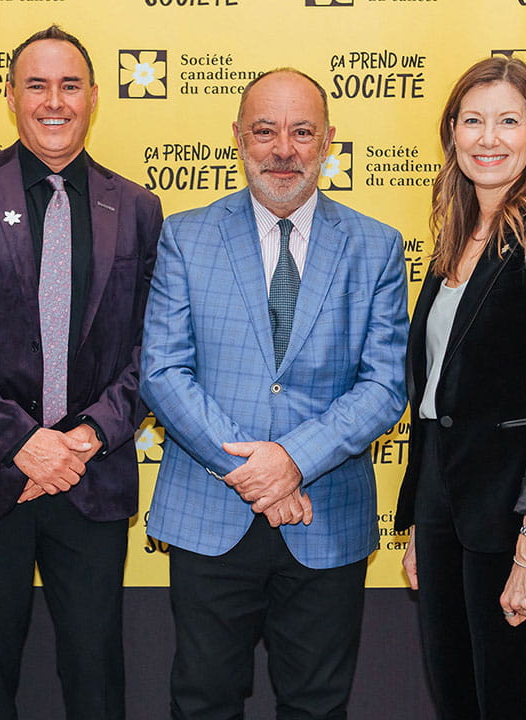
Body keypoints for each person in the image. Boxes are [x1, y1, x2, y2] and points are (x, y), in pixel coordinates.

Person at [0, 26, 162, 720]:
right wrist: (22, 441)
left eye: (70, 85)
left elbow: (151, 347)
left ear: (94, 98)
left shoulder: (135, 207)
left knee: (97, 679)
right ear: (11, 96)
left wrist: (83, 439)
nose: (55, 101)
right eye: (38, 85)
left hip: (89, 479)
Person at [141, 68, 408, 719]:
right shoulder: (185, 235)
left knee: (317, 705)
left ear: (327, 141)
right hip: (210, 513)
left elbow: (385, 384)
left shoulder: (376, 246)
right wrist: (255, 471)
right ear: (238, 137)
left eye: (301, 132)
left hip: (326, 517)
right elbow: (163, 372)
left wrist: (291, 462)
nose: (283, 149)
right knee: (202, 700)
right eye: (265, 131)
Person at [393, 56, 526, 720]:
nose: (489, 139)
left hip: (519, 513)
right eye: (474, 121)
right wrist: (419, 523)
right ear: (452, 132)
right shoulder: (454, 240)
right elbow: (436, 397)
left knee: (512, 704)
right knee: (456, 700)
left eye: (509, 121)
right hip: (443, 508)